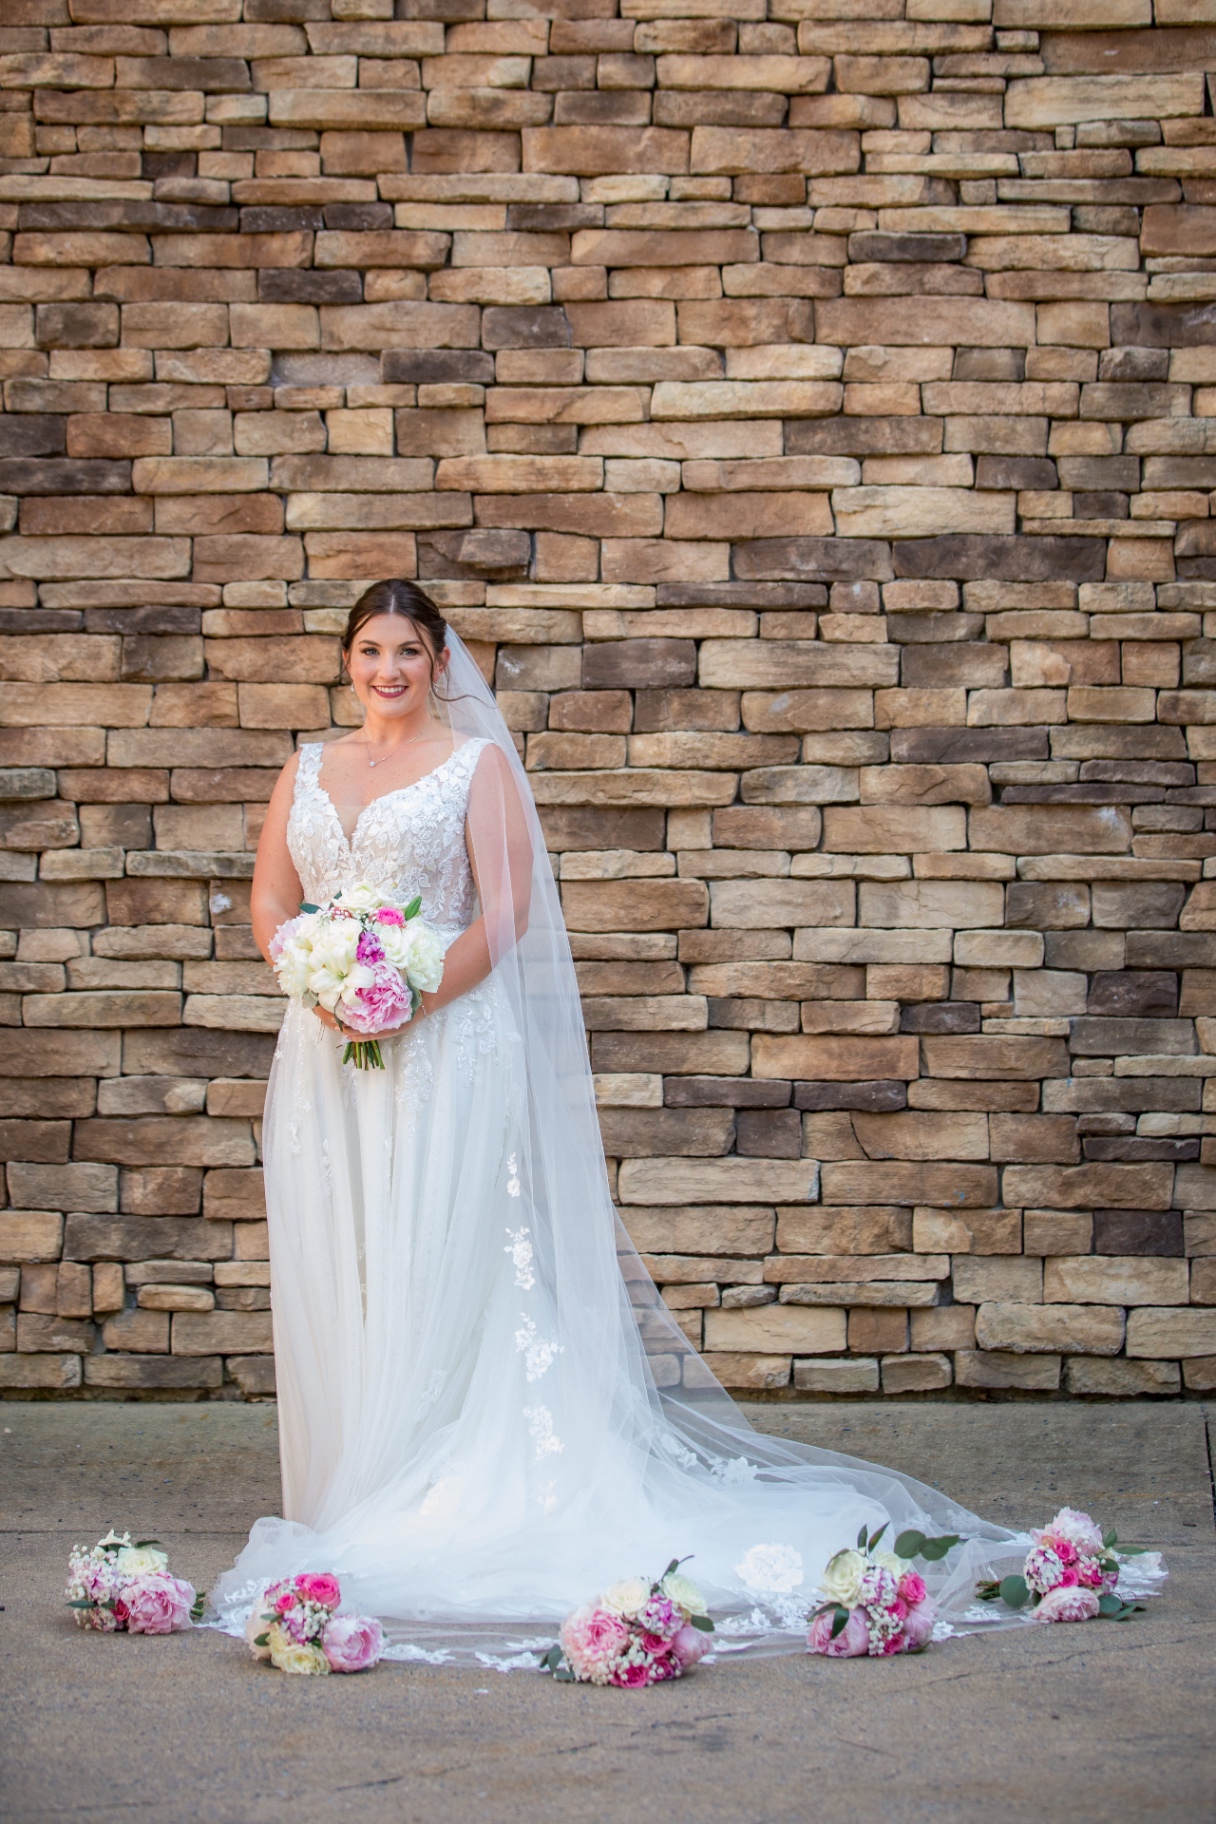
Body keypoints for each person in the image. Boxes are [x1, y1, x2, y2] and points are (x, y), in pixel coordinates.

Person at [210, 578, 1028, 1663]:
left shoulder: (474, 766)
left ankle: (429, 1476)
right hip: (324, 1050)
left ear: (440, 662)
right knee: (344, 1252)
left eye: (408, 650)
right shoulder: (305, 768)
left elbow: (506, 911)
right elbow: (272, 899)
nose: (387, 670)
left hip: (443, 1040)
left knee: (440, 1253)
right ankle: (351, 1484)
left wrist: (404, 994)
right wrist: (314, 975)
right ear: (347, 659)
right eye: (370, 649)